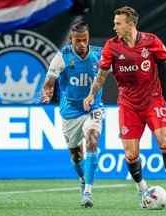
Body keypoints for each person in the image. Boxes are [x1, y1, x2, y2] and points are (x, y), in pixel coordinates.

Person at [83, 6, 166, 208]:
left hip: (153, 100)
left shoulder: (151, 41)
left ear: (130, 24)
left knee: (164, 140)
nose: (114, 27)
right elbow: (102, 76)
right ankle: (143, 191)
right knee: (131, 154)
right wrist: (91, 94)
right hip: (128, 104)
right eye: (114, 23)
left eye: (118, 23)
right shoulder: (111, 47)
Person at [42, 21, 103, 208]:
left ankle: (88, 192)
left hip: (93, 108)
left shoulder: (98, 54)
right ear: (71, 40)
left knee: (92, 139)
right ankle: (83, 178)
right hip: (70, 112)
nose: (82, 44)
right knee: (76, 156)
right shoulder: (63, 56)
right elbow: (50, 79)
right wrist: (47, 91)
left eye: (85, 40)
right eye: (78, 40)